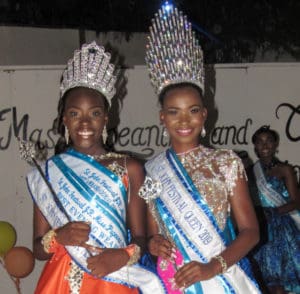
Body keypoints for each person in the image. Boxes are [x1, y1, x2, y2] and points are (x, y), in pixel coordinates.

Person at [138, 3, 261, 293]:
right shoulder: (153, 169)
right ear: (162, 117)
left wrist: (211, 267)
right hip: (173, 280)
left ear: (204, 115)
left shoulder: (226, 162)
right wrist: (154, 245)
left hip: (220, 276)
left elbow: (251, 232)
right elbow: (151, 235)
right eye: (174, 111)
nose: (184, 120)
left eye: (192, 110)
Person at [26, 41, 166, 293]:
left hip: (113, 276)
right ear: (64, 120)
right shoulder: (48, 172)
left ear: (106, 119)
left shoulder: (130, 168)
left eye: (94, 113)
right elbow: (37, 249)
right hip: (62, 281)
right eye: (75, 114)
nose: (85, 122)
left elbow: (141, 239)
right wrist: (58, 237)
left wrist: (122, 256)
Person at [248, 125, 300, 294]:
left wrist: (272, 212)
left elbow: (296, 202)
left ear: (275, 144)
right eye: (260, 141)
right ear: (255, 145)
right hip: (260, 229)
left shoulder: (285, 170)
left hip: (282, 230)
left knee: (281, 285)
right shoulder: (249, 172)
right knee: (263, 283)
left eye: (269, 141)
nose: (265, 145)